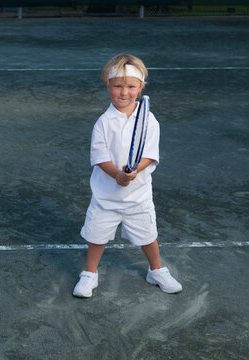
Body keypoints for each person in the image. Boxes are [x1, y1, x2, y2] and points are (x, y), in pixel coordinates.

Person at [73, 54, 182, 298]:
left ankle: (156, 270)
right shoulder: (102, 122)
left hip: (139, 195)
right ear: (108, 87)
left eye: (131, 86)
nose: (124, 92)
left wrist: (134, 172)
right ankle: (90, 274)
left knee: (148, 235)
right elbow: (100, 157)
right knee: (96, 237)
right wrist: (117, 175)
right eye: (118, 86)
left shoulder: (149, 120)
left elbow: (150, 155)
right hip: (105, 196)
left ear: (141, 87)